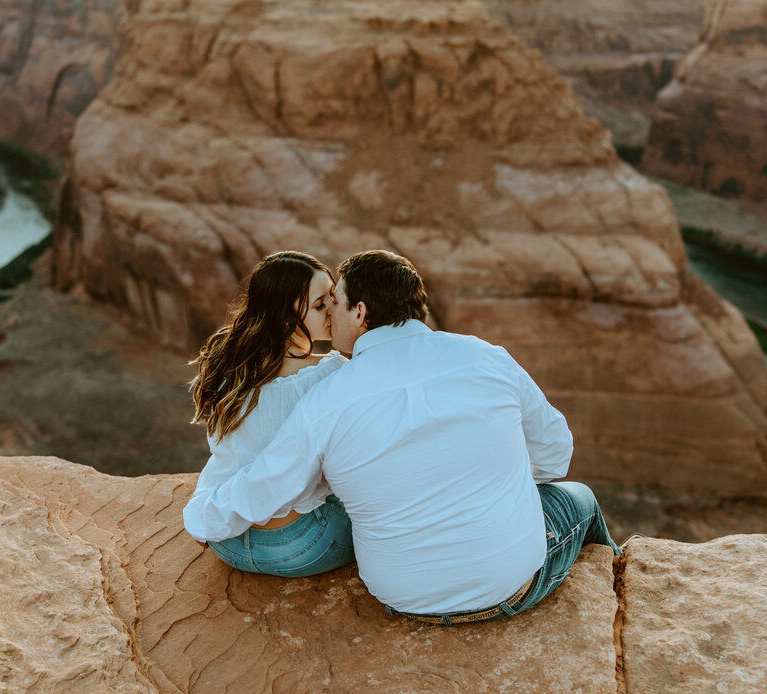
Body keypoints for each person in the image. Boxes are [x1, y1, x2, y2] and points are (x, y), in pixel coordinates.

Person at [184, 249, 620, 624]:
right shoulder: (487, 357)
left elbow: (271, 481)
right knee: (579, 496)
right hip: (511, 588)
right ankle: (622, 576)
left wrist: (202, 520)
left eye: (334, 302)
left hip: (402, 597)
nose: (331, 314)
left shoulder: (328, 397)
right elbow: (555, 456)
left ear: (360, 313)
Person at [184, 250, 355, 577]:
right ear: (284, 320)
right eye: (321, 305)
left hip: (228, 541)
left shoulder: (233, 365)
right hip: (297, 544)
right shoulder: (331, 375)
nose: (334, 309)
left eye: (333, 297)